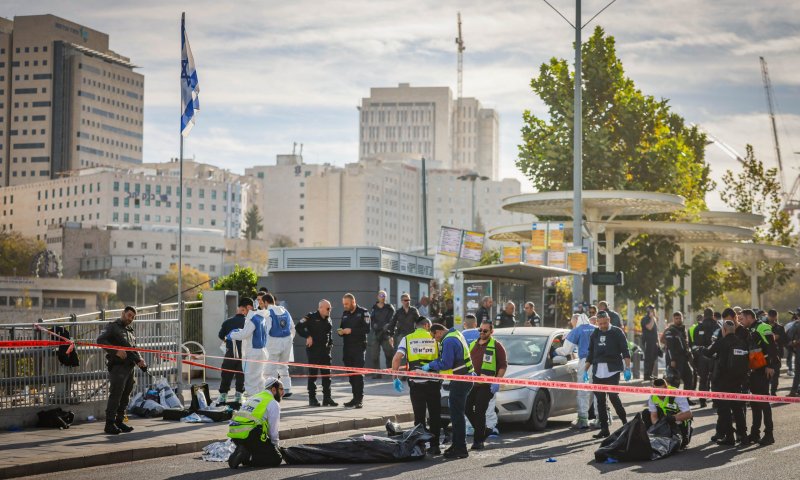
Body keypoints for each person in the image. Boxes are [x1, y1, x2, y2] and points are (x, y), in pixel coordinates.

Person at [423, 324, 475, 459]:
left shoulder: (449, 340)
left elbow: (446, 363)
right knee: (457, 413)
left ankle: (461, 448)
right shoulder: (456, 334)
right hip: (464, 377)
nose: (435, 340)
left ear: (439, 332)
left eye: (434, 336)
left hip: (461, 380)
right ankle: (458, 445)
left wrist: (430, 365)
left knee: (456, 414)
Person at [391, 317, 442, 455]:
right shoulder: (435, 338)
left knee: (419, 417)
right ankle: (435, 446)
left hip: (416, 384)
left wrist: (395, 378)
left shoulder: (407, 339)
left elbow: (397, 358)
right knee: (434, 416)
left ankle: (420, 447)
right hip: (433, 383)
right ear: (426, 325)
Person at [96, 306, 146, 435]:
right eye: (129, 315)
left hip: (130, 367)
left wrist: (140, 360)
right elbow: (100, 340)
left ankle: (119, 421)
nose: (130, 319)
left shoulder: (130, 330)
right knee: (116, 395)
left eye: (133, 317)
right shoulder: (113, 326)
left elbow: (133, 348)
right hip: (118, 367)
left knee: (125, 396)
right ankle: (109, 424)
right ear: (123, 313)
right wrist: (116, 351)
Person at [700, 315, 749, 445]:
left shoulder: (721, 342)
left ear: (725, 330)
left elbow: (708, 353)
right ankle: (743, 435)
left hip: (722, 382)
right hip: (737, 381)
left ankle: (730, 437)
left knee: (724, 410)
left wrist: (701, 349)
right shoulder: (741, 343)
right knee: (738, 409)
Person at [585, 310, 631, 439]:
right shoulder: (595, 333)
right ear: (597, 323)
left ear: (609, 320)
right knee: (600, 401)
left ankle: (625, 424)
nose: (603, 326)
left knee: (613, 397)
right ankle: (604, 429)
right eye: (600, 324)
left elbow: (625, 351)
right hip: (598, 371)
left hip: (613, 370)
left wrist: (628, 368)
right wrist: (585, 370)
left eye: (605, 323)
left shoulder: (617, 332)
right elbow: (590, 353)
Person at [466, 320, 507, 450]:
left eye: (485, 331)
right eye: (480, 330)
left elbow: (503, 365)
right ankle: (483, 430)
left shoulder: (496, 345)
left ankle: (478, 441)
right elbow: (467, 363)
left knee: (479, 411)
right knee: (466, 408)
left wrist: (497, 381)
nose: (482, 333)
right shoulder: (472, 344)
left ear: (491, 332)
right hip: (473, 384)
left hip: (487, 385)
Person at [740, 308, 779, 445]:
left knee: (763, 402)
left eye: (742, 318)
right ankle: (755, 433)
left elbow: (772, 347)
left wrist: (770, 366)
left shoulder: (762, 327)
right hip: (755, 370)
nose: (741, 321)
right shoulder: (750, 330)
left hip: (764, 369)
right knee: (755, 403)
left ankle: (769, 434)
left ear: (750, 317)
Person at [227, 377, 284, 469]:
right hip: (250, 435)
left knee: (261, 448)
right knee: (276, 458)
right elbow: (273, 430)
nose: (283, 393)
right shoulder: (272, 402)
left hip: (236, 436)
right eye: (281, 389)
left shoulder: (255, 397)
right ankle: (247, 457)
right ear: (273, 389)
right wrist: (276, 447)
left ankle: (244, 450)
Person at [556, 313, 598, 429]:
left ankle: (583, 419)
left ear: (576, 320)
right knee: (599, 391)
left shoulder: (577, 330)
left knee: (583, 390)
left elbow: (566, 350)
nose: (571, 324)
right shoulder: (596, 328)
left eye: (572, 322)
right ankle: (601, 419)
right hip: (600, 363)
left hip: (585, 363)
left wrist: (556, 351)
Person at [296, 300, 337, 407]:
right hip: (313, 350)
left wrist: (330, 344)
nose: (329, 310)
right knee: (313, 374)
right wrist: (308, 336)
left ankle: (327, 398)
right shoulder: (311, 317)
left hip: (325, 351)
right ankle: (312, 398)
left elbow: (330, 333)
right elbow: (298, 327)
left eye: (330, 308)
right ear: (321, 308)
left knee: (327, 375)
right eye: (328, 308)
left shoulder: (329, 319)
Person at [228, 300, 269, 399]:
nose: (242, 313)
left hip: (252, 354)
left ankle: (253, 405)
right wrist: (240, 331)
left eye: (243, 310)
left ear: (249, 307)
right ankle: (262, 403)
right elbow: (251, 333)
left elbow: (244, 334)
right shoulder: (260, 317)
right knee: (259, 380)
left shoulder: (252, 319)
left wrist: (231, 335)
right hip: (261, 352)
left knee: (250, 381)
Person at [217, 298, 252, 405]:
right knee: (241, 375)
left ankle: (223, 397)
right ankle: (238, 397)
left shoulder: (227, 322)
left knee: (226, 374)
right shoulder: (249, 322)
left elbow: (220, 335)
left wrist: (228, 341)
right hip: (244, 353)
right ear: (245, 309)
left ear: (238, 309)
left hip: (230, 353)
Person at [338, 293, 371, 408]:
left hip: (359, 347)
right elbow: (341, 328)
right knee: (351, 375)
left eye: (346, 304)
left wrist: (351, 331)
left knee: (358, 374)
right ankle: (354, 398)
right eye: (343, 304)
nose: (345, 306)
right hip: (347, 348)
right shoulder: (345, 313)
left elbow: (367, 329)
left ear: (353, 302)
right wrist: (340, 332)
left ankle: (359, 399)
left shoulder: (363, 312)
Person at [644, 377, 693, 449]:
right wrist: (659, 426)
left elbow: (688, 414)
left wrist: (673, 418)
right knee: (645, 413)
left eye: (661, 390)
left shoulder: (676, 393)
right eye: (656, 390)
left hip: (679, 421)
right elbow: (653, 415)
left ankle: (684, 435)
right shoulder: (652, 397)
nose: (659, 393)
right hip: (664, 420)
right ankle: (652, 437)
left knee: (680, 445)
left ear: (666, 388)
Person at [261, 293, 294, 398]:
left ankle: (273, 390)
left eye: (263, 303)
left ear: (266, 302)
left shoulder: (268, 313)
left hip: (274, 342)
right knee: (283, 366)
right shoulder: (285, 311)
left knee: (270, 368)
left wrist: (264, 345)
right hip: (287, 341)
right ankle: (287, 389)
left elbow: (267, 329)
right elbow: (292, 327)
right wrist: (289, 340)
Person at [691, 308, 718, 408]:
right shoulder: (717, 326)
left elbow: (695, 345)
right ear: (712, 315)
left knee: (703, 379)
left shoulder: (698, 328)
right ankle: (715, 401)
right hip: (714, 357)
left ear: (704, 315)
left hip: (702, 357)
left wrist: (697, 358)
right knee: (714, 379)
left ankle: (702, 401)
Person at [663, 312, 694, 390]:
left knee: (689, 377)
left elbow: (687, 343)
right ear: (673, 319)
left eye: (680, 318)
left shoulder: (684, 330)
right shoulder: (670, 330)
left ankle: (686, 400)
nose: (678, 320)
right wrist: (672, 360)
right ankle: (671, 400)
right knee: (675, 381)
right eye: (676, 318)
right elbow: (669, 347)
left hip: (684, 358)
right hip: (674, 359)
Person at [369, 291, 396, 378]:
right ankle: (377, 373)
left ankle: (391, 372)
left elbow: (392, 320)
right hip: (376, 333)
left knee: (389, 354)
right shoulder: (374, 308)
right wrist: (374, 326)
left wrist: (388, 328)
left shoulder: (389, 308)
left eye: (384, 295)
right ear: (378, 297)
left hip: (386, 333)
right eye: (381, 295)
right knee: (374, 355)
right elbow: (371, 320)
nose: (382, 297)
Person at [766, 309, 786, 396]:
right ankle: (765, 392)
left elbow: (784, 339)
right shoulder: (764, 326)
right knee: (766, 374)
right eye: (771, 316)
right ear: (768, 316)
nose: (772, 318)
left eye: (774, 316)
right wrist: (773, 337)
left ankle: (773, 391)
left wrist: (778, 337)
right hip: (766, 354)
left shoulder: (780, 327)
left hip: (777, 354)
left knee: (776, 374)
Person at [640, 305, 659, 381]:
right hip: (648, 341)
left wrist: (658, 342)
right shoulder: (645, 319)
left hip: (654, 342)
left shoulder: (653, 319)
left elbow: (655, 331)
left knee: (653, 358)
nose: (654, 312)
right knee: (648, 358)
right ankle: (646, 375)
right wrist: (652, 318)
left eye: (654, 310)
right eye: (652, 310)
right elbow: (649, 327)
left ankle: (650, 374)